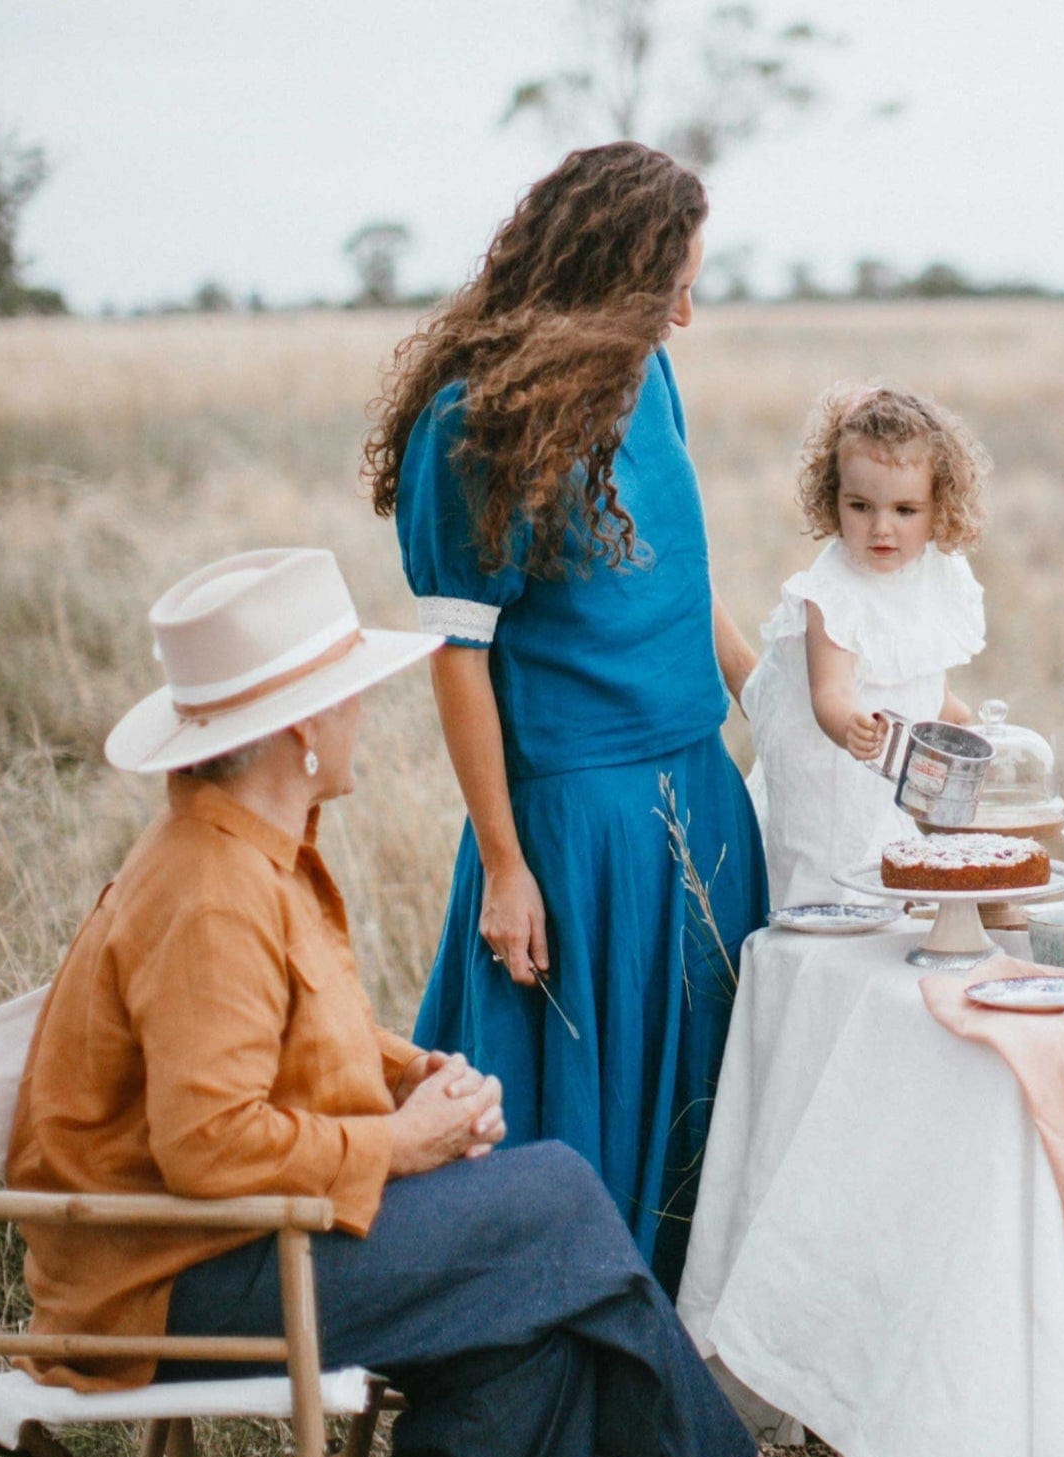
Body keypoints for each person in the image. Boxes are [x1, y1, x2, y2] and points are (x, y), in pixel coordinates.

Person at [7, 549, 836, 1457]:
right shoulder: (214, 889)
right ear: (292, 732)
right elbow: (210, 1146)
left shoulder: (254, 847)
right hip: (174, 1288)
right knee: (556, 1201)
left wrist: (407, 1074)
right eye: (342, 694)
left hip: (241, 1248)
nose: (358, 713)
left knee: (531, 1339)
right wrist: (406, 1142)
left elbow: (290, 1045)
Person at [365, 142, 765, 1296]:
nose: (686, 311)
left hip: (702, 791)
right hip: (573, 831)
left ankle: (692, 1401)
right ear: (608, 273)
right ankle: (559, 1402)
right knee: (573, 1130)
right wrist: (505, 864)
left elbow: (685, 579)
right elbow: (459, 656)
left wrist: (770, 695)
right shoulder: (470, 422)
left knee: (706, 1123)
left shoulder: (654, 379)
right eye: (671, 284)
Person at [744, 383, 991, 909]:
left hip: (888, 779)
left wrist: (958, 716)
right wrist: (846, 722)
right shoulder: (832, 591)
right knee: (831, 887)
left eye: (905, 510)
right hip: (828, 780)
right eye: (860, 506)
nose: (882, 528)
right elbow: (828, 693)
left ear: (938, 507)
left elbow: (921, 672)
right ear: (832, 499)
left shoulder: (932, 575)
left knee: (891, 884)